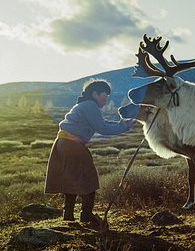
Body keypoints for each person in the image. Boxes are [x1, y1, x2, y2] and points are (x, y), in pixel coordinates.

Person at [44, 78, 134, 223]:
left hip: (65, 143)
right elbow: (103, 128)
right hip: (72, 144)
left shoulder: (84, 105)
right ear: (95, 94)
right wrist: (123, 127)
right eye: (105, 96)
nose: (106, 100)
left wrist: (123, 124)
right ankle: (86, 214)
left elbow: (102, 123)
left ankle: (68, 215)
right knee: (89, 177)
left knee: (71, 177)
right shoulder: (90, 106)